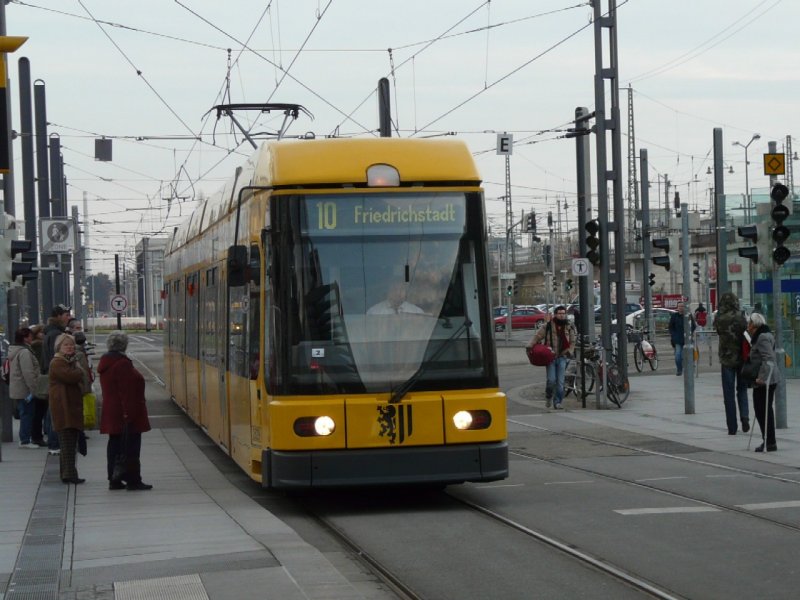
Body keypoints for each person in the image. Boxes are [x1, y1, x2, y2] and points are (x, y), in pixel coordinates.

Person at [98, 331, 153, 491]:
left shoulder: (107, 361)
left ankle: (114, 479)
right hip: (125, 414)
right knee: (131, 447)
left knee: (114, 446)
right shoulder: (122, 364)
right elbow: (127, 392)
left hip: (112, 412)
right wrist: (130, 415)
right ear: (125, 345)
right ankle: (133, 480)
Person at [48, 333, 86, 484]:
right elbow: (71, 376)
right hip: (63, 407)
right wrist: (79, 371)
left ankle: (67, 473)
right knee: (68, 442)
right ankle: (70, 475)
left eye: (71, 345)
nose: (70, 347)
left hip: (69, 406)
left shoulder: (68, 361)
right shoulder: (58, 362)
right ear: (59, 347)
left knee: (69, 442)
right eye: (66, 345)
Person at [714, 293, 750, 435]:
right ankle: (745, 417)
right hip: (741, 358)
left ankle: (732, 426)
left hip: (726, 359)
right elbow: (746, 332)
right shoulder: (741, 316)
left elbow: (718, 332)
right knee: (742, 390)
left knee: (728, 394)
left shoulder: (719, 318)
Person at [528, 306, 576, 410]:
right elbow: (537, 336)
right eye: (559, 313)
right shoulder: (548, 326)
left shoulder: (569, 326)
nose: (562, 315)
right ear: (555, 314)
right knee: (551, 381)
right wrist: (530, 346)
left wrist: (570, 351)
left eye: (563, 313)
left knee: (560, 383)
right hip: (550, 357)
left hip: (563, 357)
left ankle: (558, 402)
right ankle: (548, 396)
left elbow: (573, 341)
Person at [746, 312, 780, 452]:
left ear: (754, 324)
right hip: (767, 379)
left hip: (765, 380)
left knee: (763, 410)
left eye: (749, 323)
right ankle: (768, 440)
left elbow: (769, 358)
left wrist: (762, 378)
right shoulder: (763, 334)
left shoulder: (762, 337)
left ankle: (769, 441)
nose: (748, 326)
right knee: (763, 410)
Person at [41, 305, 71, 455]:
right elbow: (57, 356)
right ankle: (54, 443)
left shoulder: (50, 331)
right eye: (66, 314)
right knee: (55, 410)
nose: (68, 317)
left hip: (50, 373)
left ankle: (52, 440)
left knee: (51, 409)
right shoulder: (55, 334)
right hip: (56, 375)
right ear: (58, 316)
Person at [7, 327, 44, 448]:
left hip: (19, 388)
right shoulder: (24, 352)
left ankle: (25, 438)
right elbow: (28, 372)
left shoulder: (15, 350)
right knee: (27, 414)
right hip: (25, 390)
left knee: (25, 413)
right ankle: (25, 440)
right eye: (30, 336)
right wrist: (34, 389)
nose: (32, 338)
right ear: (25, 338)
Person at [29, 325, 49, 447]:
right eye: (42, 332)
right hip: (41, 381)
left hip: (39, 380)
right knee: (40, 411)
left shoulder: (36, 345)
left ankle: (36, 435)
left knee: (38, 411)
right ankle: (37, 436)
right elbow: (42, 364)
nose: (44, 334)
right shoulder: (39, 346)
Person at [668, 301, 695, 376]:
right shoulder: (674, 316)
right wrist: (673, 335)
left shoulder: (688, 315)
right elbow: (671, 327)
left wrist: (689, 333)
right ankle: (679, 369)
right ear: (677, 307)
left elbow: (693, 326)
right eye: (679, 306)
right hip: (677, 339)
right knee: (678, 355)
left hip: (687, 339)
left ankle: (690, 368)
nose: (681, 308)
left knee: (688, 355)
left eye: (682, 306)